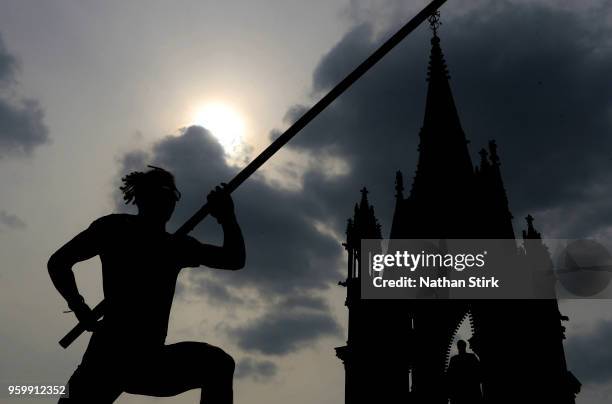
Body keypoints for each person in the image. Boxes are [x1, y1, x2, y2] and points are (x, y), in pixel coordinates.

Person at [48, 166, 245, 403]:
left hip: (149, 360)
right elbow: (59, 262)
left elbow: (234, 260)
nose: (167, 200)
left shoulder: (177, 246)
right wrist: (79, 307)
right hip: (109, 356)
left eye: (172, 195)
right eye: (161, 193)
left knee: (218, 364)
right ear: (141, 198)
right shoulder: (115, 228)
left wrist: (226, 217)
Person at [446, 340, 482, 404]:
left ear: (458, 347)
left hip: (458, 393)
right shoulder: (472, 357)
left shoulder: (454, 359)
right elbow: (479, 372)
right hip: (472, 392)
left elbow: (449, 376)